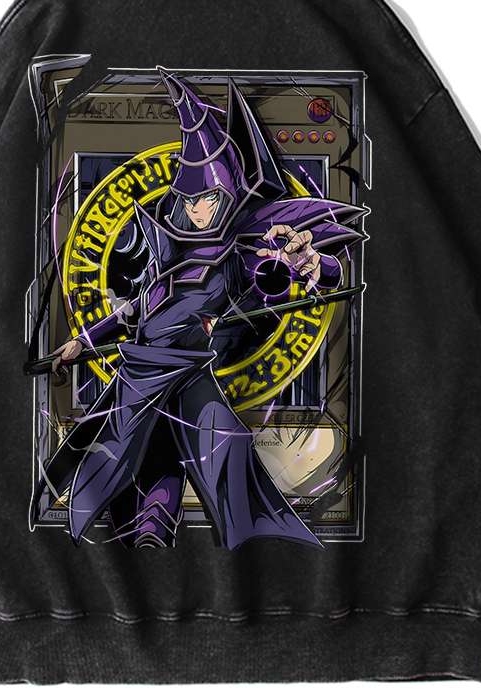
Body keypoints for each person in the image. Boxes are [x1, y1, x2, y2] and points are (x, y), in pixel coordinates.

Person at [31, 69, 366, 549]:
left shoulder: (239, 254)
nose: (199, 210)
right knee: (135, 450)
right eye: (191, 199)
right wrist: (80, 344)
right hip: (143, 371)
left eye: (208, 198)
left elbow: (284, 276)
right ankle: (148, 526)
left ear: (226, 196)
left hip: (187, 371)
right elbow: (132, 313)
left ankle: (185, 528)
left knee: (217, 450)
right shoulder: (169, 255)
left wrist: (312, 264)